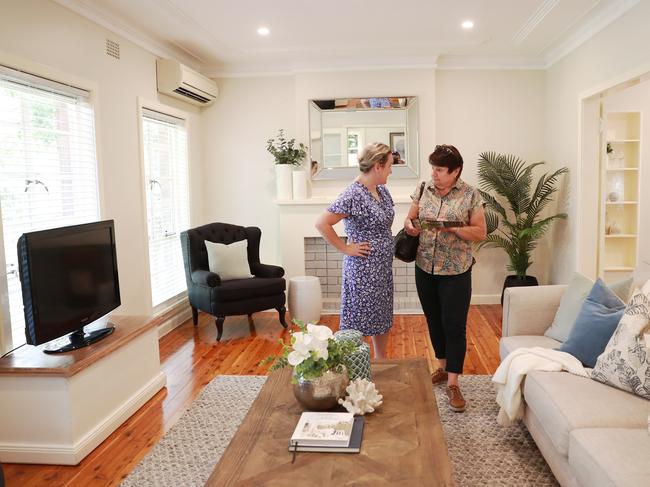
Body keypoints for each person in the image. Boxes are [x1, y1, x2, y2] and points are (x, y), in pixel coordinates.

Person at [403, 144, 486, 412]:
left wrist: (451, 226)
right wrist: (410, 227)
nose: (434, 174)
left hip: (456, 272)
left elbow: (480, 233)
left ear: (455, 171)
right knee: (433, 320)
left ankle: (453, 383)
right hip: (425, 267)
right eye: (433, 168)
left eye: (440, 169)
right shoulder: (423, 188)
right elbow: (410, 219)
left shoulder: (471, 195)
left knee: (454, 325)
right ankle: (441, 367)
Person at [315, 142, 395, 359]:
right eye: (389, 165)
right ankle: (353, 364)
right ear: (377, 166)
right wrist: (346, 248)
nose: (391, 169)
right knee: (357, 319)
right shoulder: (353, 194)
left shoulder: (382, 190)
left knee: (381, 315)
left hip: (382, 270)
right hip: (362, 270)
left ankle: (380, 360)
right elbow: (322, 223)